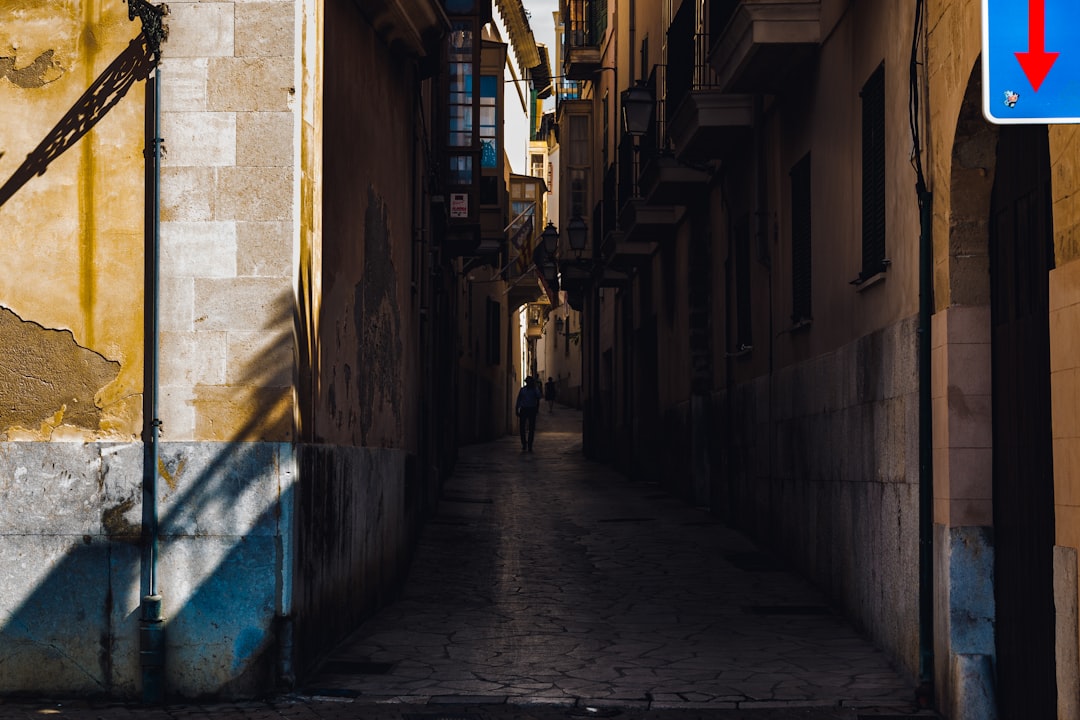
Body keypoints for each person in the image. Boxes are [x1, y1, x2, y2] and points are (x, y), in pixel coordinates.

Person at [515, 376, 542, 452]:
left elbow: (539, 396)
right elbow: (519, 400)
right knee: (522, 428)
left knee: (531, 428)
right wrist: (517, 409)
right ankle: (524, 443)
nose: (529, 383)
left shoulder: (534, 390)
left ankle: (530, 444)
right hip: (524, 409)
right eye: (528, 381)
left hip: (532, 409)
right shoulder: (523, 390)